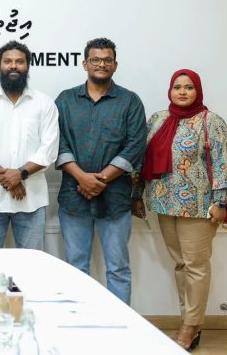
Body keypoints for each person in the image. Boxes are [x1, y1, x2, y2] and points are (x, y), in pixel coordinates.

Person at [133, 69, 227, 350]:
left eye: (189, 87)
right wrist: (136, 194)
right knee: (181, 265)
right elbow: (142, 160)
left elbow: (223, 162)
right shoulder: (157, 120)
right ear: (170, 90)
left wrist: (219, 202)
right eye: (177, 87)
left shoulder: (211, 121)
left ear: (197, 91)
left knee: (196, 266)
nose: (182, 92)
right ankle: (191, 322)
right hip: (164, 202)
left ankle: (189, 326)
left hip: (199, 206)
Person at [55, 38, 146, 304]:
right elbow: (56, 141)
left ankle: (120, 326)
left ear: (115, 65)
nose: (101, 64)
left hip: (115, 199)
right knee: (75, 267)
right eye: (95, 59)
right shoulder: (65, 100)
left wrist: (99, 180)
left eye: (107, 60)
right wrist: (82, 178)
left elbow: (135, 145)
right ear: (85, 64)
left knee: (118, 269)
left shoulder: (130, 101)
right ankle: (77, 322)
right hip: (74, 197)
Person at [0, 41, 59, 250]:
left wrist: (20, 174)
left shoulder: (44, 103)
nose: (13, 66)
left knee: (31, 265)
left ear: (28, 66)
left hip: (31, 201)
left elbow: (48, 150)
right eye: (8, 61)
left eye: (19, 62)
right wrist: (12, 178)